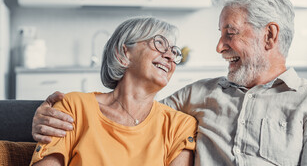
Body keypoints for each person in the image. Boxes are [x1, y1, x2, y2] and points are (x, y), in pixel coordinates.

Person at [32, 0, 307, 165]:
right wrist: (45, 113)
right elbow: (129, 112)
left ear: (269, 36)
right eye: (220, 32)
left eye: (230, 32)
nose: (219, 46)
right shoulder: (196, 96)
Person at [30, 17, 197, 166]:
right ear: (123, 53)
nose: (170, 56)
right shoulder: (73, 107)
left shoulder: (179, 126)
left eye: (175, 52)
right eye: (159, 43)